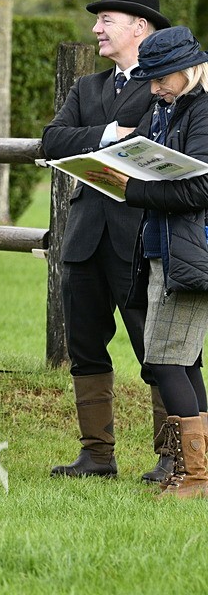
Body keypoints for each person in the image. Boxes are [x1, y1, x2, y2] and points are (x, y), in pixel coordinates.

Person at [42, 0, 170, 480]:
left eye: (106, 20)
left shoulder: (168, 85)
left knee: (157, 350)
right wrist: (106, 136)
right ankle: (97, 456)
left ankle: (174, 456)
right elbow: (52, 141)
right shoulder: (87, 88)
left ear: (139, 27)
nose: (95, 28)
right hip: (85, 238)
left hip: (140, 239)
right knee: (85, 347)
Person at [85, 26, 208, 498]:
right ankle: (194, 469)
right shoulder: (167, 108)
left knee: (165, 359)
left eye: (161, 79)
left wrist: (133, 189)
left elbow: (200, 186)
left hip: (190, 251)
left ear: (187, 69)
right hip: (162, 248)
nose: (153, 87)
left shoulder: (202, 111)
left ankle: (193, 475)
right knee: (184, 362)